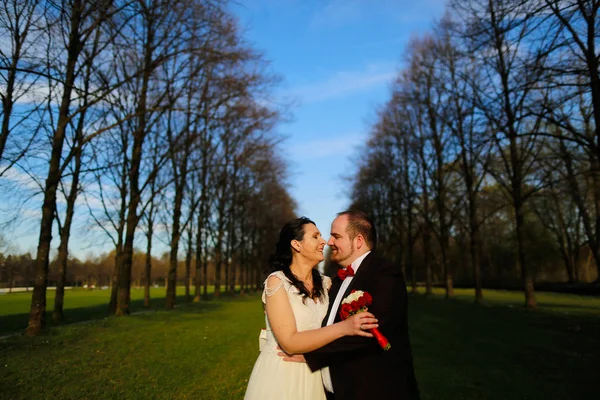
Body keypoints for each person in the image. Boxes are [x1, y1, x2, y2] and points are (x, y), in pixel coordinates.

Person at [282, 209, 421, 400]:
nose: (329, 242)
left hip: (375, 391)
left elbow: (369, 332)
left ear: (358, 241)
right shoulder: (336, 281)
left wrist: (311, 356)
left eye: (335, 236)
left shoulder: (385, 273)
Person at [244, 217, 378, 400]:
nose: (324, 241)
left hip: (318, 372)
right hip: (283, 374)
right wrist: (344, 327)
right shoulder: (277, 282)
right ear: (296, 245)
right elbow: (289, 342)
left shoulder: (327, 284)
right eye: (315, 236)